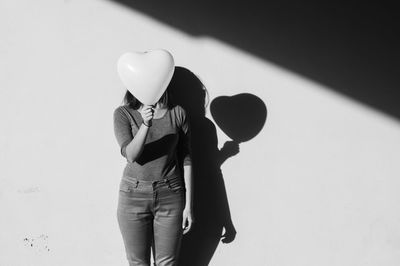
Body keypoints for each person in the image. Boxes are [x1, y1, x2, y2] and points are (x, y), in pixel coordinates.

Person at [113, 88, 194, 266]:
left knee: (167, 262)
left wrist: (189, 205)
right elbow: (131, 155)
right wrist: (145, 124)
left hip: (170, 194)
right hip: (133, 194)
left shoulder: (177, 113)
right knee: (138, 262)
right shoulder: (123, 113)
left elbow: (186, 158)